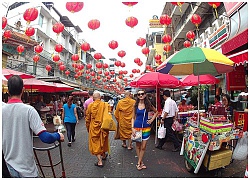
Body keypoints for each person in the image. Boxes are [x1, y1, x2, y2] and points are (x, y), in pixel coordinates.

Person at [2, 75, 64, 178]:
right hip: (27, 170)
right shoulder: (29, 110)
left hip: (8, 168)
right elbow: (45, 138)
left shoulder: (2, 110)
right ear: (23, 89)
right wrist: (58, 135)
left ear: (8, 90)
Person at [131, 90, 158, 170]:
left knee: (143, 147)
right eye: (139, 94)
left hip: (146, 128)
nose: (140, 95)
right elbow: (132, 117)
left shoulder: (148, 105)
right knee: (138, 146)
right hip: (137, 127)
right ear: (137, 96)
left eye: (142, 94)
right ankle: (140, 162)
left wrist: (151, 120)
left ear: (145, 95)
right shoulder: (135, 105)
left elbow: (156, 112)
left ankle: (139, 162)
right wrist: (132, 128)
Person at [85, 92, 110, 168]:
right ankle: (104, 155)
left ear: (93, 98)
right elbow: (109, 115)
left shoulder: (90, 106)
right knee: (103, 141)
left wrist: (88, 127)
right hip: (103, 127)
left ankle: (99, 161)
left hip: (94, 127)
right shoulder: (105, 105)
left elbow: (87, 118)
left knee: (95, 143)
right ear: (100, 98)